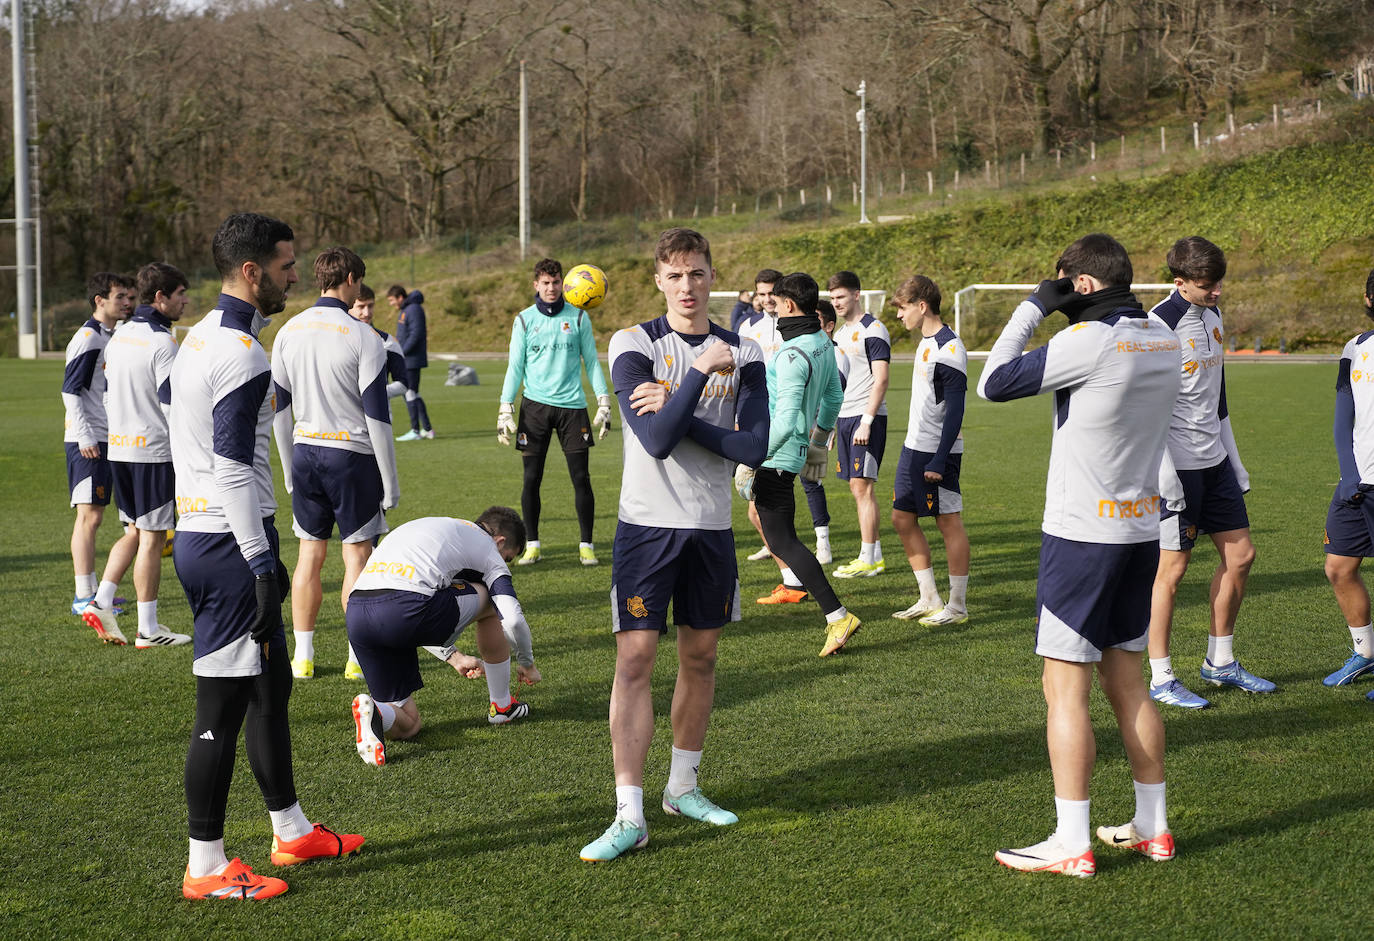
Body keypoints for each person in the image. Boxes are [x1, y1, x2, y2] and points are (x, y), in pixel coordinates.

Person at [172, 212, 363, 901]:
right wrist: (257, 560)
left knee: (269, 689)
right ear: (251, 272)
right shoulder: (243, 354)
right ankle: (206, 866)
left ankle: (290, 829)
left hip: (213, 538)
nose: (293, 274)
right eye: (286, 265)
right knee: (219, 710)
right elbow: (227, 464)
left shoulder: (197, 340)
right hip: (227, 547)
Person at [978, 234, 1179, 877]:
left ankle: (1072, 839)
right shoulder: (1162, 338)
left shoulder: (1085, 341)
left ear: (1081, 285)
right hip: (1139, 532)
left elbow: (994, 382)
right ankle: (1153, 826)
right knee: (1128, 681)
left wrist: (1034, 308)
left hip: (1080, 535)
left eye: (1063, 283)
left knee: (1063, 689)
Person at [579, 227, 768, 863]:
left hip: (711, 526)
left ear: (713, 276)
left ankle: (683, 786)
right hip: (647, 526)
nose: (687, 286)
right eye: (674, 275)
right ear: (657, 280)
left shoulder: (745, 351)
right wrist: (697, 377)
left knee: (702, 659)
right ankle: (628, 812)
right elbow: (652, 441)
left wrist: (680, 404)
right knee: (634, 661)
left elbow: (753, 447)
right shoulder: (632, 343)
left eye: (697, 273)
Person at [1145, 237, 1271, 708]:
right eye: (1205, 285)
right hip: (1175, 467)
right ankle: (1161, 677)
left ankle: (1220, 662)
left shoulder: (1214, 317)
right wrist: (1165, 476)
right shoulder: (1156, 327)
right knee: (1172, 572)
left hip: (1214, 462)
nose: (1216, 292)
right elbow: (1148, 411)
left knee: (1241, 557)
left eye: (1219, 283)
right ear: (1180, 283)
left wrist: (1233, 460)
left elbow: (1216, 398)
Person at [272, 248, 400, 681]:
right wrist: (391, 481)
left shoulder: (288, 330)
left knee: (310, 555)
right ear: (350, 279)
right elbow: (377, 416)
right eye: (359, 282)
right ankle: (354, 655)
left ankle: (302, 657)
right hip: (352, 456)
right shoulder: (365, 336)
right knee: (357, 557)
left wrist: (289, 466)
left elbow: (279, 410)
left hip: (306, 452)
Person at [347, 506, 542, 766]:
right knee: (492, 601)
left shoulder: (437, 526)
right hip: (405, 608)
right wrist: (527, 664)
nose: (504, 564)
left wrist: (454, 656)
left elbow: (410, 599)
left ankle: (374, 712)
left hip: (358, 613)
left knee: (410, 724)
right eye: (507, 558)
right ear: (500, 541)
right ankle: (502, 706)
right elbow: (513, 618)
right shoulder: (486, 549)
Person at [736, 272, 858, 657]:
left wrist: (752, 459)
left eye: (774, 302)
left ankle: (837, 615)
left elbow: (786, 420)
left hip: (775, 455)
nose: (770, 307)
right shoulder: (822, 340)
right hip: (790, 453)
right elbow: (834, 396)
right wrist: (818, 444)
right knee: (776, 532)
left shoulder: (791, 353)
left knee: (782, 539)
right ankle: (833, 613)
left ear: (789, 305)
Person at [497, 258, 612, 566]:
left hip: (572, 408)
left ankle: (586, 545)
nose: (551, 288)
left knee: (581, 478)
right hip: (534, 408)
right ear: (536, 285)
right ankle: (532, 544)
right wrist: (505, 406)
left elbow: (592, 360)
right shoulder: (524, 319)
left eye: (556, 282)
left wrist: (603, 400)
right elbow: (515, 366)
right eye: (545, 283)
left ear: (564, 283)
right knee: (531, 479)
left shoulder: (578, 317)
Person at [101, 262, 193, 647]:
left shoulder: (119, 335)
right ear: (161, 298)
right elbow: (172, 406)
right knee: (153, 539)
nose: (185, 302)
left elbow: (106, 392)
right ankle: (148, 630)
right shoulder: (162, 342)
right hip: (152, 453)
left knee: (137, 533)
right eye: (180, 295)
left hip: (119, 449)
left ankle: (102, 598)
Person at [888, 276, 971, 627]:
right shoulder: (925, 343)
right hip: (913, 448)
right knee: (902, 517)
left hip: (939, 453)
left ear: (921, 306)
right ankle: (928, 597)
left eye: (902, 308)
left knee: (947, 522)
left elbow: (955, 410)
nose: (899, 316)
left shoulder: (949, 348)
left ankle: (958, 606)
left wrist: (939, 458)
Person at [67, 272, 137, 644]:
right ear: (99, 301)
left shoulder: (112, 335)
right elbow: (70, 391)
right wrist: (84, 435)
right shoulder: (90, 337)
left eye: (129, 296)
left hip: (107, 437)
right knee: (89, 516)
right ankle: (83, 597)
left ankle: (93, 592)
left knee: (97, 515)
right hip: (89, 440)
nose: (127, 302)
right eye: (120, 297)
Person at [1321, 268, 1374, 696]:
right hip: (1357, 482)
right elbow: (1344, 417)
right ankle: (1366, 653)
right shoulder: (1354, 348)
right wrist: (1349, 472)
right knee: (1339, 567)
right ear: (1368, 299)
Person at [830, 270, 890, 577]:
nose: (836, 302)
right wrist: (829, 423)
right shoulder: (840, 334)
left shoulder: (874, 329)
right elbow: (839, 382)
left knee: (862, 487)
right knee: (856, 487)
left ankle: (869, 558)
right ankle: (872, 555)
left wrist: (866, 422)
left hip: (867, 418)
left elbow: (881, 379)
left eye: (841, 296)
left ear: (856, 294)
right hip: (844, 418)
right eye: (832, 298)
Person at [387, 284, 433, 440]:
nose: (391, 304)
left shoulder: (413, 309)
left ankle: (416, 431)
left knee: (409, 392)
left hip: (412, 360)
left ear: (400, 297)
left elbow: (415, 335)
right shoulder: (406, 310)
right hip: (408, 359)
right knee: (412, 393)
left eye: (392, 300)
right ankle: (427, 429)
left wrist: (401, 351)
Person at [351, 283, 409, 402]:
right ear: (349, 306)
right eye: (361, 307)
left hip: (378, 418)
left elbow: (403, 384)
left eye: (370, 306)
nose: (367, 313)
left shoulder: (387, 341)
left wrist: (374, 392)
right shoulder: (335, 339)